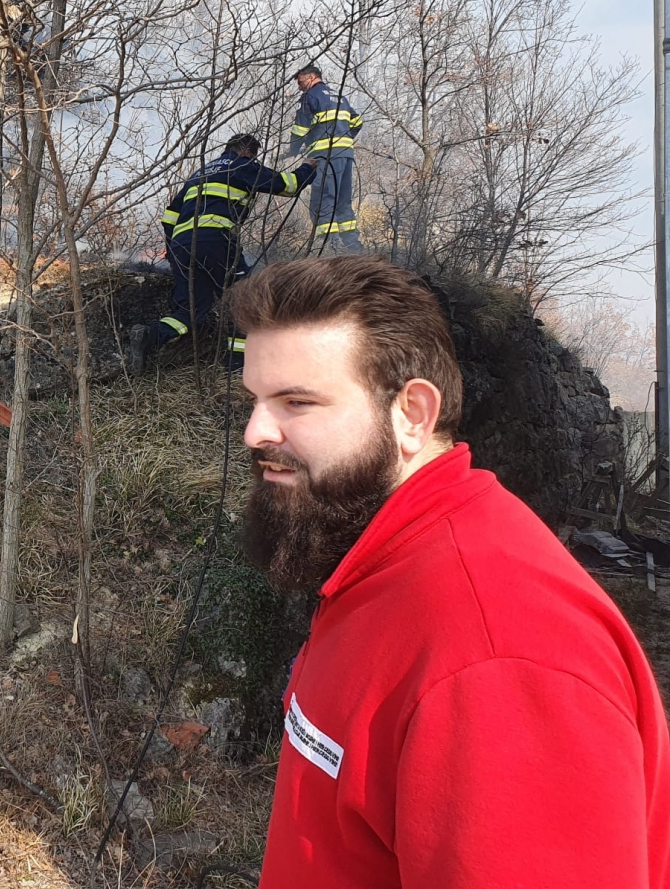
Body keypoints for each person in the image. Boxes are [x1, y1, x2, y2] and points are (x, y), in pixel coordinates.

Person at [228, 255, 670, 888]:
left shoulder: (499, 659)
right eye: (256, 399)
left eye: (296, 401)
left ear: (412, 413)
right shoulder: (381, 554)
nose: (254, 431)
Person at [126, 134, 315, 375]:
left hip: (183, 245)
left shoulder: (199, 174)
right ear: (247, 150)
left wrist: (173, 251)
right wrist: (307, 168)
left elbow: (169, 217)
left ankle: (149, 335)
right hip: (217, 240)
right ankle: (237, 366)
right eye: (254, 154)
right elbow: (288, 185)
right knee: (247, 297)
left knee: (188, 311)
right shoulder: (243, 165)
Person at [289, 64, 363, 254]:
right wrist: (343, 138)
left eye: (300, 81)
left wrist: (293, 149)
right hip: (346, 155)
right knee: (343, 201)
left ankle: (330, 250)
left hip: (326, 157)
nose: (299, 87)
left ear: (312, 77)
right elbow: (357, 122)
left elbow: (300, 128)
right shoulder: (339, 97)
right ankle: (355, 250)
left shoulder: (310, 97)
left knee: (322, 200)